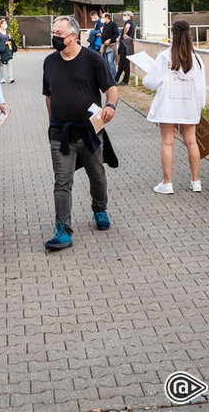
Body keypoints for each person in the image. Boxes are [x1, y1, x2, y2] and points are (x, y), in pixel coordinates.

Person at [43, 16, 118, 251]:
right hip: (61, 133)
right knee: (62, 181)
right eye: (53, 32)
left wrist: (110, 106)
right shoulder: (49, 62)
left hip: (89, 131)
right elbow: (48, 95)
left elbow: (111, 88)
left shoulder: (93, 59)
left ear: (73, 36)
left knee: (97, 174)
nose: (55, 37)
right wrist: (52, 122)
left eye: (59, 33)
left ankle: (99, 209)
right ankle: (63, 229)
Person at [143, 20, 206, 194]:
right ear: (190, 34)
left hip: (168, 106)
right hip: (189, 106)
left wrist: (146, 78)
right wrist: (200, 106)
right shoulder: (197, 59)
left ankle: (168, 183)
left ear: (172, 34)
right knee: (192, 142)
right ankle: (196, 181)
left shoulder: (164, 57)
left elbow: (150, 82)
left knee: (167, 143)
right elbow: (201, 86)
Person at [115, 11, 136, 85]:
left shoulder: (129, 22)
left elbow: (127, 27)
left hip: (125, 44)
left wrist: (124, 34)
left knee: (123, 62)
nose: (124, 16)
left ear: (129, 16)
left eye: (125, 15)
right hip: (127, 44)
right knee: (123, 63)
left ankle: (123, 80)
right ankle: (118, 79)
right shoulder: (132, 23)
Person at [0, 19, 14, 83]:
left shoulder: (7, 32)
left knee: (9, 63)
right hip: (1, 50)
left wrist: (9, 42)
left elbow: (10, 39)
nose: (5, 25)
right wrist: (1, 44)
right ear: (1, 24)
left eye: (6, 23)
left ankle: (11, 77)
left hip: (7, 50)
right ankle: (2, 78)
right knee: (1, 64)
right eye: (4, 24)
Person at [99, 13, 119, 79]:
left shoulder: (113, 24)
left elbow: (116, 34)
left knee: (111, 62)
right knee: (106, 61)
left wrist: (110, 40)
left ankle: (114, 77)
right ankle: (108, 76)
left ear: (107, 17)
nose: (102, 19)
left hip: (111, 45)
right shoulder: (104, 25)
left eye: (103, 17)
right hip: (105, 45)